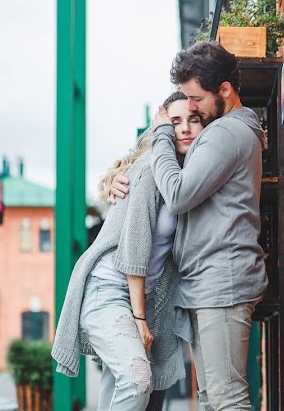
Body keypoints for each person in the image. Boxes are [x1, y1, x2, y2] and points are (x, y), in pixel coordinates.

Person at [112, 42, 268, 411]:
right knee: (213, 399)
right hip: (209, 284)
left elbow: (179, 194)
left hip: (221, 283)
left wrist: (162, 133)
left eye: (195, 98)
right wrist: (124, 175)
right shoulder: (225, 133)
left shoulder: (226, 134)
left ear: (225, 91)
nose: (191, 106)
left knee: (227, 399)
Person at [52, 92, 203, 411]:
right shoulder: (152, 170)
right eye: (175, 121)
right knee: (136, 380)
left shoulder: (186, 177)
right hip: (109, 293)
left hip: (141, 298)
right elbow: (135, 248)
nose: (186, 129)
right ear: (162, 126)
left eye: (194, 120)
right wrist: (139, 317)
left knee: (120, 390)